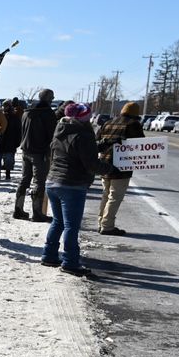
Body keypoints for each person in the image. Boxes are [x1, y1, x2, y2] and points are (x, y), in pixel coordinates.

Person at [40, 103, 111, 277]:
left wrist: (102, 145)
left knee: (58, 222)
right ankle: (70, 262)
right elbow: (91, 164)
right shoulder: (83, 134)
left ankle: (49, 255)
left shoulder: (61, 130)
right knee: (71, 226)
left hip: (52, 182)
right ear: (84, 118)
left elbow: (74, 150)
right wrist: (110, 168)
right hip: (71, 185)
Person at [94, 102, 145, 235]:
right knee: (115, 196)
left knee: (106, 194)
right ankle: (107, 226)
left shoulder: (108, 123)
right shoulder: (133, 124)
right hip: (121, 165)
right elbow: (140, 144)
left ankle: (101, 222)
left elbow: (97, 139)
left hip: (104, 163)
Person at [16, 89, 57, 221]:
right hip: (40, 152)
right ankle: (37, 213)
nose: (53, 99)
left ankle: (18, 209)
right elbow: (52, 136)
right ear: (48, 99)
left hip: (26, 150)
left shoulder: (26, 112)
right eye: (52, 97)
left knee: (25, 179)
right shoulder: (48, 114)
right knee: (39, 182)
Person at [0, 99, 23, 182]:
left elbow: (19, 131)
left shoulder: (15, 117)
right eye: (4, 106)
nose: (5, 107)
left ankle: (7, 175)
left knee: (8, 160)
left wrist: (17, 142)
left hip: (10, 141)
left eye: (6, 106)